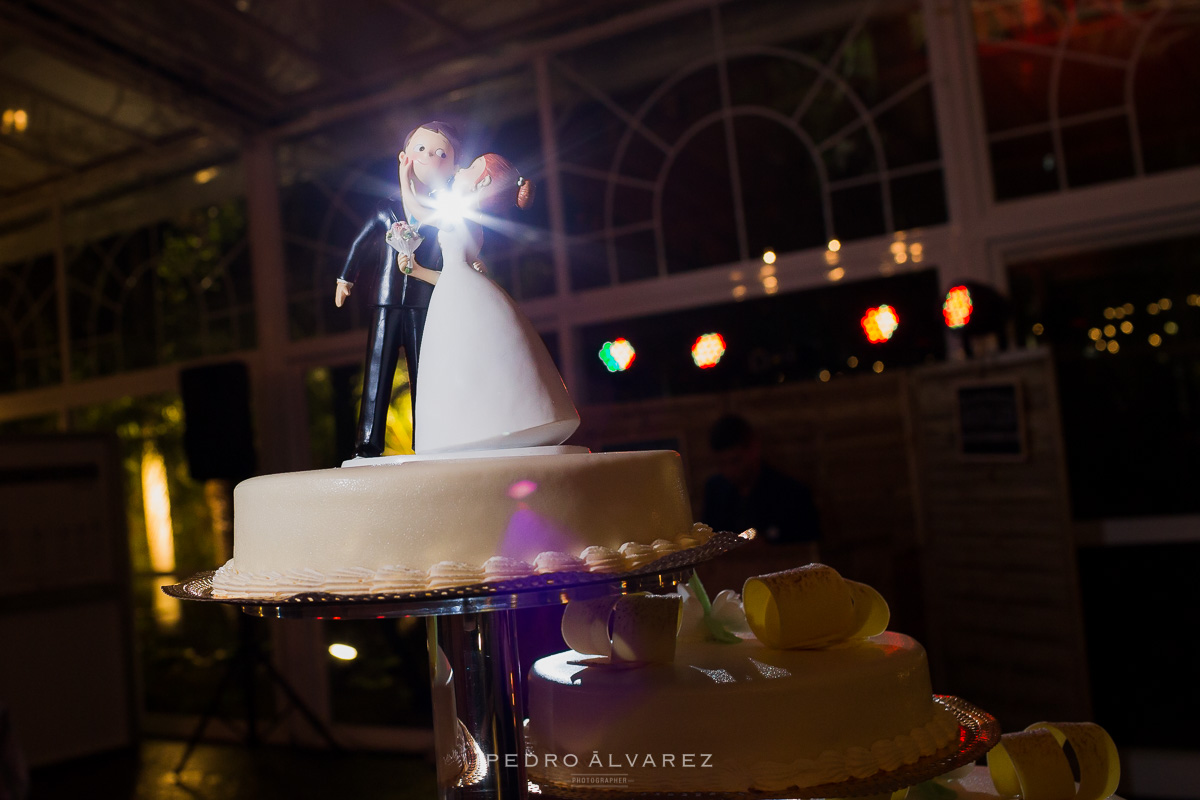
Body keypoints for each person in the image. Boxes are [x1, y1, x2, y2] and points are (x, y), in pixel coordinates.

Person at [409, 153, 580, 454]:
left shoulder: (459, 218)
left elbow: (418, 212)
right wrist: (417, 271)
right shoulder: (474, 225)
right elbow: (452, 272)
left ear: (483, 182)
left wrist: (405, 177)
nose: (461, 168)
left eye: (472, 167)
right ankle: (483, 424)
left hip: (460, 292)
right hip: (458, 290)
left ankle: (501, 421)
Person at [335, 121, 460, 458]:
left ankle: (428, 437)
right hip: (387, 299)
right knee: (378, 367)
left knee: (425, 372)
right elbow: (360, 243)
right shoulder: (384, 208)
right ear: (404, 157)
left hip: (423, 301)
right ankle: (368, 439)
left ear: (452, 166)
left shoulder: (444, 212)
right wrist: (345, 278)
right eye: (421, 149)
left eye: (440, 153)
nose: (430, 158)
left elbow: (454, 249)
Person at [702, 413, 820, 549]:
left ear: (754, 448)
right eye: (722, 464)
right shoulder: (715, 491)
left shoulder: (791, 493)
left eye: (735, 461)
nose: (729, 471)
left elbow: (808, 544)